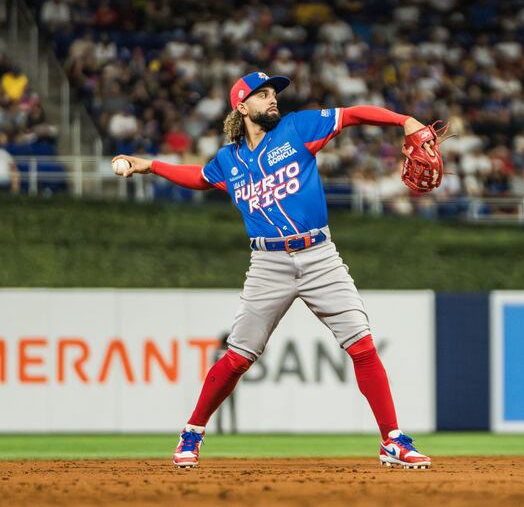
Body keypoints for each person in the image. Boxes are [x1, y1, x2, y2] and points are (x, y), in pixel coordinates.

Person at [112, 72, 433, 470]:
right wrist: (148, 166)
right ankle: (192, 432)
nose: (272, 99)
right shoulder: (229, 160)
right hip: (268, 264)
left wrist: (404, 120)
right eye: (262, 95)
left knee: (362, 345)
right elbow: (198, 177)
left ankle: (392, 441)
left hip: (319, 255)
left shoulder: (298, 128)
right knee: (238, 357)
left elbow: (352, 115)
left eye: (273, 93)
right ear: (242, 108)